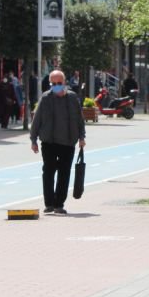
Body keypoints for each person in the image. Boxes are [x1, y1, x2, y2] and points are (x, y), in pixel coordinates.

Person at [30, 70, 86, 215]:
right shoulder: (46, 98)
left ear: (64, 82)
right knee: (48, 171)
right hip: (49, 142)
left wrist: (81, 137)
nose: (56, 86)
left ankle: (59, 204)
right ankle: (49, 203)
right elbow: (37, 119)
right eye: (53, 83)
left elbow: (80, 120)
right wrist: (33, 139)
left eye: (59, 83)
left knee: (64, 173)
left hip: (68, 142)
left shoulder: (73, 98)